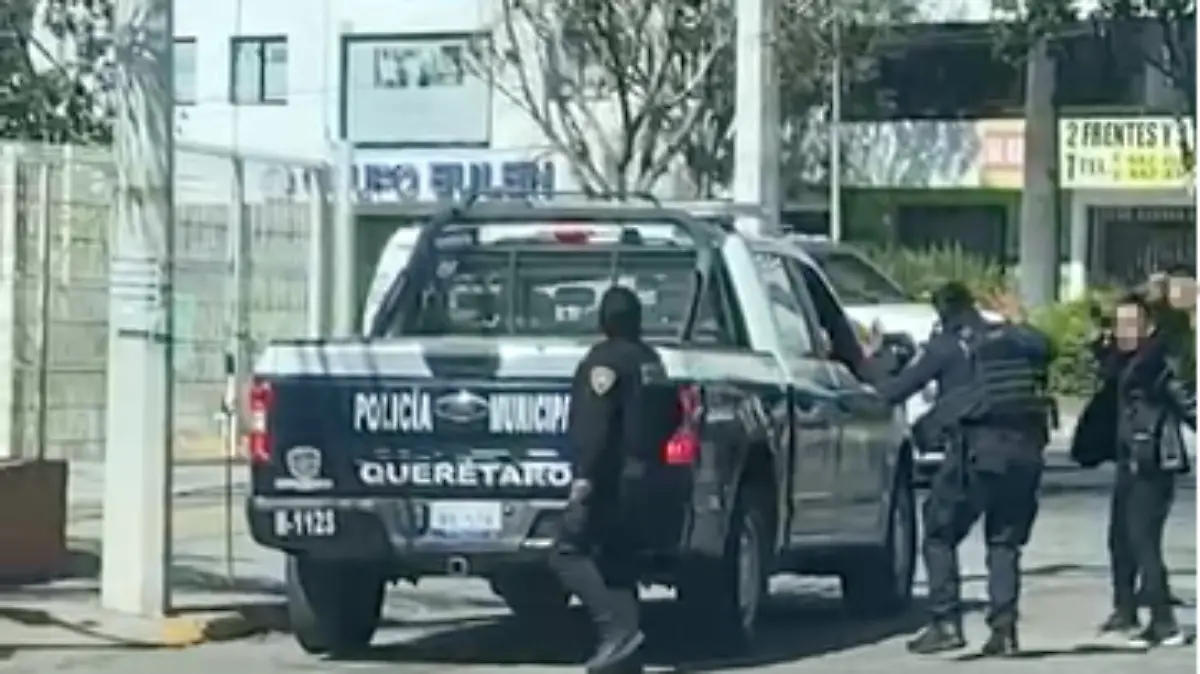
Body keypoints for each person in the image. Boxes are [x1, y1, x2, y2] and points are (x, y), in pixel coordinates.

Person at [864, 282, 1053, 657]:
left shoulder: (946, 346)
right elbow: (1046, 350)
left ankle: (945, 622)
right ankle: (1004, 630)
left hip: (976, 454)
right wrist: (1019, 319)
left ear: (941, 311)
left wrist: (874, 361)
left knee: (939, 532)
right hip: (1026, 452)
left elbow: (893, 392)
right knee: (1004, 541)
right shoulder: (1011, 340)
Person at [550, 286, 677, 673]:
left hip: (612, 483)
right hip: (650, 478)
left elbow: (596, 427)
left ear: (603, 321)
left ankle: (615, 631)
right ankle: (625, 655)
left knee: (566, 552)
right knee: (618, 565)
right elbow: (673, 416)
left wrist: (584, 479)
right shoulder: (652, 362)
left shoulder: (603, 363)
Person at [1093, 292, 1195, 648]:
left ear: (1148, 327)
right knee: (1119, 539)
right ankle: (1125, 610)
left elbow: (1187, 401)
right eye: (1118, 324)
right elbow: (1106, 372)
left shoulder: (1157, 363)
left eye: (1131, 324)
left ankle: (1164, 622)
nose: (1123, 331)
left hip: (1152, 461)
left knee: (1143, 542)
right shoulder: (1124, 360)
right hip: (1129, 460)